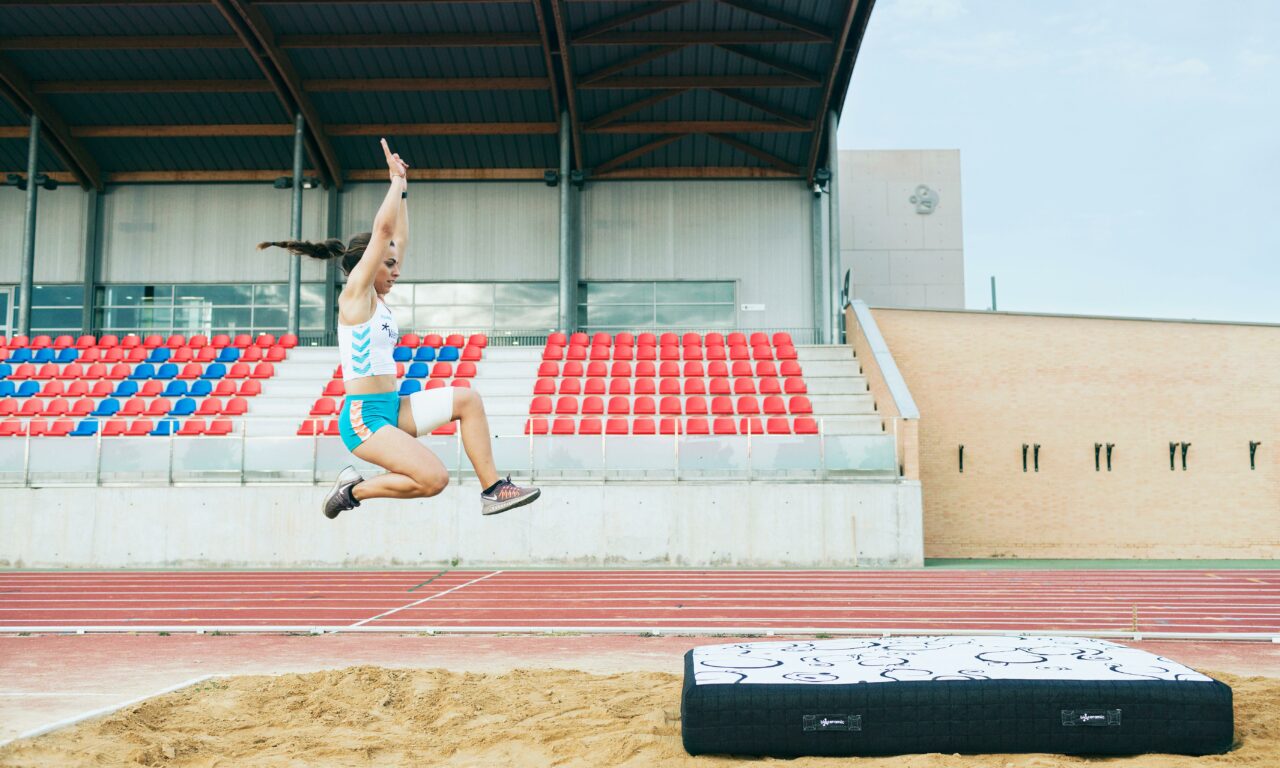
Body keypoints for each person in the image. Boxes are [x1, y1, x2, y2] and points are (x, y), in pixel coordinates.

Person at [259, 139, 540, 519]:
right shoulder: (356, 295)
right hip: (364, 418)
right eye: (388, 264)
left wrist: (404, 187)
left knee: (467, 400)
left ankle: (493, 489)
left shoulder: (379, 296)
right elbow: (384, 230)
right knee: (433, 479)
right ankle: (353, 490)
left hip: (391, 407)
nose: (397, 270)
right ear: (366, 264)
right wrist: (392, 181)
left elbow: (398, 237)